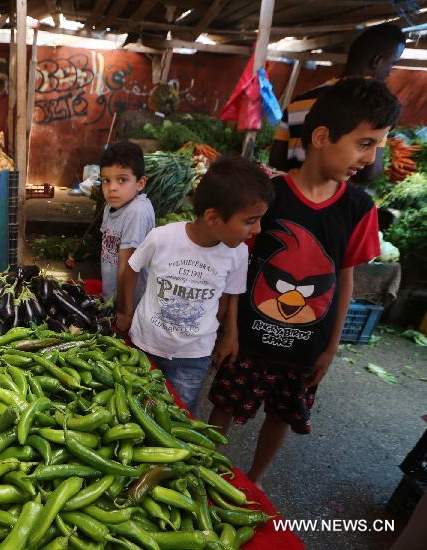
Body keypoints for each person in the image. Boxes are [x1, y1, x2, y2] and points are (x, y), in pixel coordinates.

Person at [209, 78, 399, 486]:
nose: (371, 158)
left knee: (282, 415)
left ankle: (256, 480)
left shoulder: (359, 208)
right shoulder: (270, 194)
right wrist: (230, 328)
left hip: (307, 347)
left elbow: (345, 277)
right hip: (251, 337)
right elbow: (241, 261)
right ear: (321, 137)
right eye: (365, 143)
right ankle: (202, 467)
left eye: (378, 146)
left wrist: (331, 347)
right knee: (224, 404)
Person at [123, 156, 273, 414]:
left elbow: (231, 295)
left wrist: (230, 334)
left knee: (180, 414)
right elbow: (131, 268)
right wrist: (124, 312)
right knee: (136, 408)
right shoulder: (163, 238)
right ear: (213, 217)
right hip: (146, 344)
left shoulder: (236, 253)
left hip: (194, 355)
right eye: (250, 220)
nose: (258, 229)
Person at [269, 23, 404, 183]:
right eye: (392, 64)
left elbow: (276, 161)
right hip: (337, 203)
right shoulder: (374, 108)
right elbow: (368, 174)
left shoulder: (299, 101)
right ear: (377, 60)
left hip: (295, 194)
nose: (390, 72)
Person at [98, 141, 155, 334]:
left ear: (140, 183)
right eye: (106, 180)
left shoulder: (136, 212)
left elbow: (129, 266)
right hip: (113, 301)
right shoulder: (111, 206)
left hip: (132, 306)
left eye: (121, 180)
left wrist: (125, 312)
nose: (112, 187)